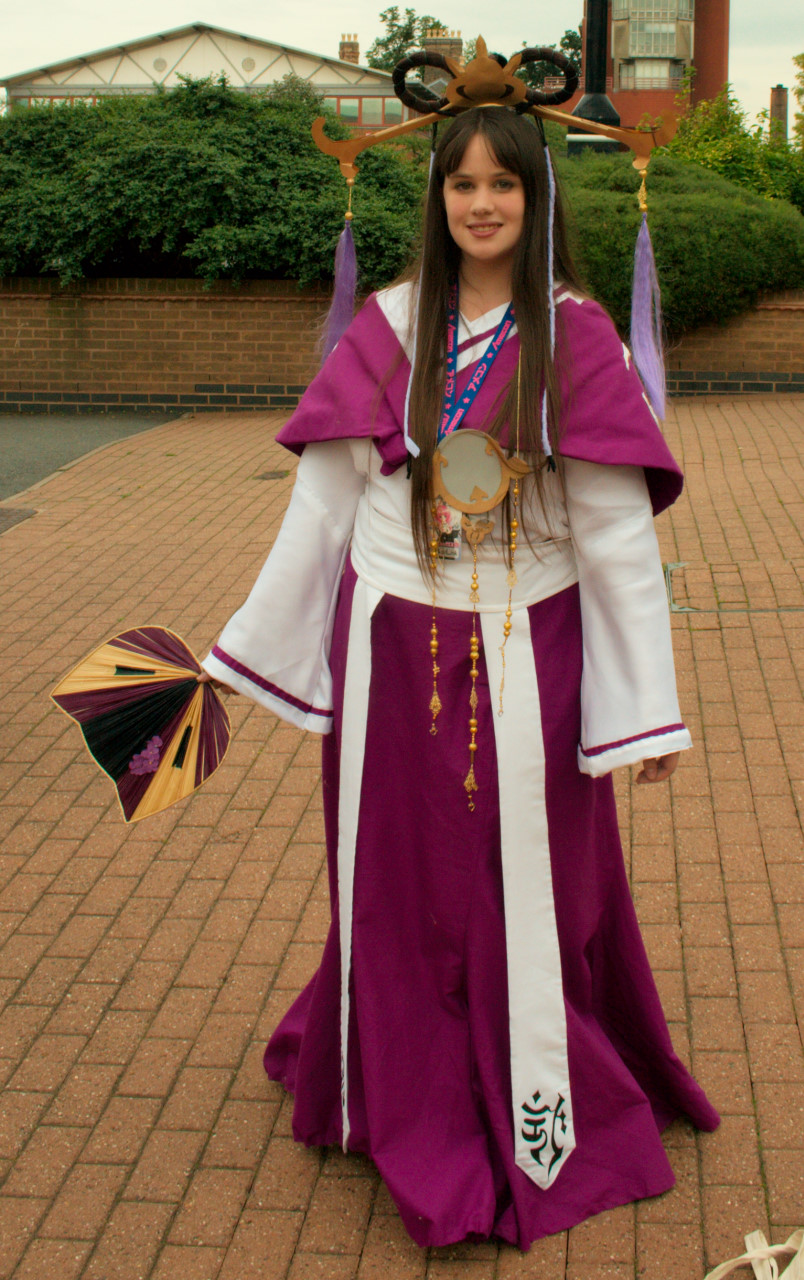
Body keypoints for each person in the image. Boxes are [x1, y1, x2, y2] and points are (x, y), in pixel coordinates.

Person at [199, 107, 719, 1250]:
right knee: (397, 882)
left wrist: (644, 711)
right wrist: (242, 651)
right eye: (460, 186)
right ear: (435, 201)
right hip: (394, 650)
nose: (481, 204)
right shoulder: (388, 324)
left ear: (538, 200)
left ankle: (529, 1097)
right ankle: (394, 1083)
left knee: (528, 887)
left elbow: (618, 535)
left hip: (531, 652)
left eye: (505, 186)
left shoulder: (575, 336)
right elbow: (324, 506)